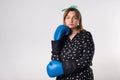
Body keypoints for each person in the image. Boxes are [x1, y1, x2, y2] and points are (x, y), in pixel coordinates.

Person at [47, 6, 95, 80]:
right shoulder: (61, 36)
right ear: (64, 20)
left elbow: (87, 59)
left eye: (74, 18)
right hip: (63, 77)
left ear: (79, 20)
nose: (71, 21)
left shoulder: (85, 35)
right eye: (68, 18)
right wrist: (56, 43)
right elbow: (55, 60)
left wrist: (64, 67)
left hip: (82, 76)